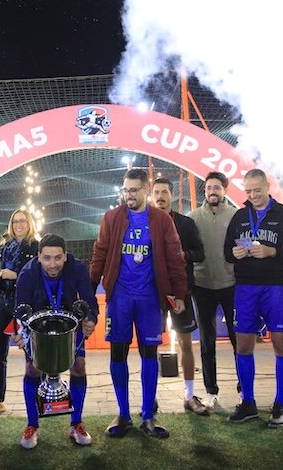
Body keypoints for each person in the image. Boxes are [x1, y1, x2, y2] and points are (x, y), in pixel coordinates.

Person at [90, 168, 188, 439]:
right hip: (120, 298)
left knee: (149, 354)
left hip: (150, 299)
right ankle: (123, 414)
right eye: (126, 190)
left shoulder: (161, 220)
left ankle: (148, 415)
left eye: (134, 190)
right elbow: (99, 254)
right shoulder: (112, 218)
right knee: (117, 354)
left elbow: (175, 258)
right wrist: (89, 292)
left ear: (146, 190)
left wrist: (179, 294)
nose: (129, 195)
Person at [224, 168, 283, 427]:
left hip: (276, 287)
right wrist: (234, 254)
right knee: (243, 345)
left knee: (281, 344)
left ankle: (280, 404)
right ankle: (248, 403)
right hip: (245, 287)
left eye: (257, 190)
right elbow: (227, 252)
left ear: (267, 186)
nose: (253, 195)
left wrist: (272, 251)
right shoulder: (239, 216)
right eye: (248, 191)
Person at [13, 234, 98, 449]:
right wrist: (20, 333)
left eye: (58, 258)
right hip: (38, 326)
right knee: (32, 369)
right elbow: (20, 308)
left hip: (70, 325)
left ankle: (76, 423)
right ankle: (32, 425)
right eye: (47, 258)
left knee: (79, 366)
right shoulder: (27, 273)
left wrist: (91, 319)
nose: (53, 264)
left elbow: (89, 300)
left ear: (65, 256)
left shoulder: (77, 268)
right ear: (39, 256)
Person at [150, 177, 208, 415]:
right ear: (151, 196)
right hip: (153, 294)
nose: (160, 196)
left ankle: (189, 395)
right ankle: (150, 397)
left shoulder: (185, 223)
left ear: (171, 195)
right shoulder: (145, 223)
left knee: (186, 344)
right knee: (150, 346)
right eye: (156, 192)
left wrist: (184, 255)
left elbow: (200, 253)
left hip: (181, 293)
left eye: (164, 192)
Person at [0, 209, 39, 416]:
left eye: (23, 221)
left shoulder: (36, 246)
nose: (19, 225)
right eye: (15, 222)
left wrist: (16, 275)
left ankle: (38, 396)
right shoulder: (4, 246)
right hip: (3, 301)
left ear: (29, 223)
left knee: (32, 351)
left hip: (25, 303)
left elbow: (38, 275)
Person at [188, 171, 240, 410]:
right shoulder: (193, 217)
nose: (212, 191)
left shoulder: (236, 215)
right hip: (203, 287)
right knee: (207, 343)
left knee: (239, 340)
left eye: (217, 187)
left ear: (225, 190)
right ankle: (211, 392)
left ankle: (244, 390)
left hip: (232, 285)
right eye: (209, 187)